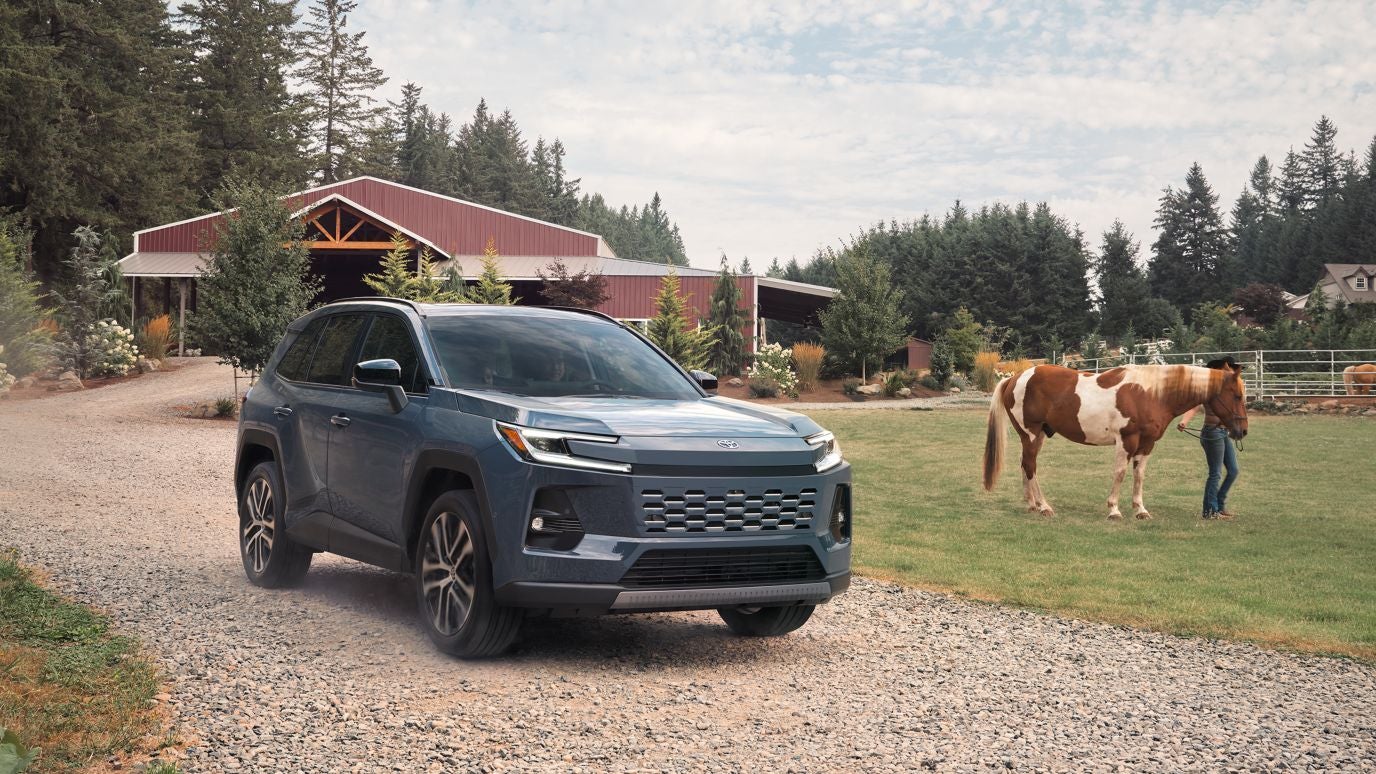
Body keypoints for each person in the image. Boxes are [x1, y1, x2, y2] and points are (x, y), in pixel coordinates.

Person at [1176, 357, 1240, 520]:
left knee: (1233, 470)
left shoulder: (1228, 388)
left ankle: (1218, 504)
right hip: (1212, 432)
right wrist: (1184, 421)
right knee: (1215, 473)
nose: (1232, 371)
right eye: (1229, 368)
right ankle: (1210, 511)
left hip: (1223, 433)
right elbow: (1195, 405)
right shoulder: (1209, 388)